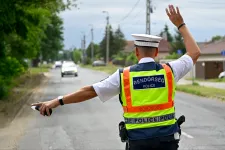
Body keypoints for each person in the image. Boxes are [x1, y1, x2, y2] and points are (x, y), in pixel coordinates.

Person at [32, 5, 201, 150]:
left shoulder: (124, 76)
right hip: (167, 141)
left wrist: (56, 101)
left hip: (138, 143)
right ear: (156, 52)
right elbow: (194, 53)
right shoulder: (170, 71)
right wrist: (181, 25)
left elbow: (89, 91)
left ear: (136, 52)